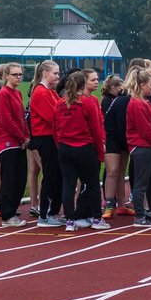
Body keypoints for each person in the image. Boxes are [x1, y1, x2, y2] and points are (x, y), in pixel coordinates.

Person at [54, 69, 109, 232]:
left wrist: (60, 146)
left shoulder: (59, 103)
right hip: (84, 148)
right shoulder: (87, 102)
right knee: (92, 184)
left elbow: (55, 128)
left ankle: (70, 220)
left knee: (68, 185)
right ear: (83, 84)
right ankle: (97, 218)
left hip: (65, 148)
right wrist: (100, 152)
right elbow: (95, 130)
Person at [0, 62, 29, 227]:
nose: (19, 77)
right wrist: (21, 138)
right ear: (6, 76)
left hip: (19, 141)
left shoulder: (18, 93)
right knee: (9, 179)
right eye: (15, 74)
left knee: (20, 178)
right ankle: (7, 214)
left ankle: (12, 210)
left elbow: (21, 117)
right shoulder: (3, 94)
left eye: (20, 74)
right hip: (8, 142)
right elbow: (6, 120)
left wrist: (26, 136)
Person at [125, 68, 151, 226]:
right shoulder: (137, 104)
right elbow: (146, 130)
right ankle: (139, 215)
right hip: (142, 147)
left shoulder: (144, 103)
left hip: (148, 147)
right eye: (150, 85)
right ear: (141, 85)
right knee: (142, 183)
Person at [28, 60, 63, 227]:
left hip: (53, 137)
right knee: (50, 175)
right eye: (55, 73)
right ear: (45, 73)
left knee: (56, 175)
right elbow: (54, 117)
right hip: (46, 138)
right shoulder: (41, 93)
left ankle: (53, 212)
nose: (58, 76)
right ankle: (44, 214)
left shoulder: (51, 92)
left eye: (58, 73)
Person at [101, 74, 133, 219]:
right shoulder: (108, 101)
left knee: (120, 172)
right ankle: (109, 204)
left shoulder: (122, 99)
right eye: (120, 87)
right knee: (112, 171)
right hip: (112, 138)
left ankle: (121, 204)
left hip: (122, 139)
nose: (123, 89)